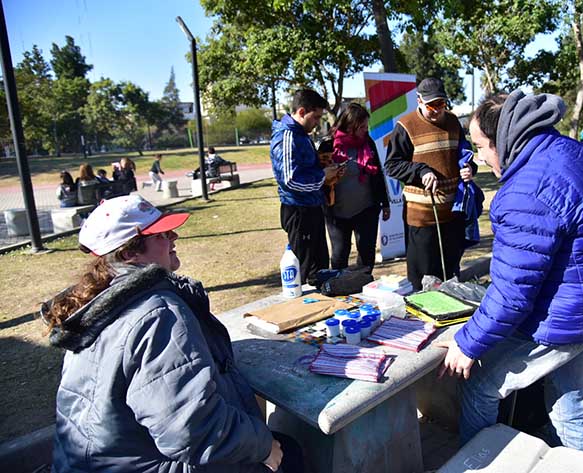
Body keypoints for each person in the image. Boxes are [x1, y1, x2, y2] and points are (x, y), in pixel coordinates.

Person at [41, 195, 303, 473]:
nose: (174, 236)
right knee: (289, 453)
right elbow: (191, 428)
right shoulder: (157, 313)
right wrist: (262, 446)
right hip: (142, 462)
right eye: (162, 234)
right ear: (129, 253)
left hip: (92, 461)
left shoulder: (95, 303)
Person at [435, 91, 583, 453]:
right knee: (572, 403)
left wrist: (467, 342)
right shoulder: (578, 152)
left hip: (563, 319)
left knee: (479, 386)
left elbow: (512, 295)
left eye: (479, 146)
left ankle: (478, 461)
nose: (479, 157)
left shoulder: (524, 192)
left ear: (502, 139)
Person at [384, 77, 476, 291]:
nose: (436, 110)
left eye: (441, 104)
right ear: (419, 101)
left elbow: (465, 154)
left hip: (453, 213)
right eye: (431, 105)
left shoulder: (454, 122)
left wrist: (470, 168)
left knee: (450, 275)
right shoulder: (405, 126)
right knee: (423, 280)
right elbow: (392, 165)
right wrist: (421, 171)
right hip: (422, 217)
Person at [270, 89, 340, 284]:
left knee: (319, 270)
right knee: (302, 270)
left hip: (312, 206)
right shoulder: (287, 136)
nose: (318, 122)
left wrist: (325, 167)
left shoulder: (300, 134)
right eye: (315, 117)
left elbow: (305, 168)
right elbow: (289, 179)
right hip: (298, 211)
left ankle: (322, 306)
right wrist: (322, 177)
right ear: (301, 112)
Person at [317, 103, 390, 271]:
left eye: (366, 126)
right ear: (350, 125)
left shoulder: (368, 143)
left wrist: (385, 203)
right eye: (362, 126)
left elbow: (378, 173)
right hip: (337, 211)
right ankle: (338, 285)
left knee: (366, 253)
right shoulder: (328, 145)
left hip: (366, 208)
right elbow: (319, 179)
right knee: (339, 253)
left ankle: (363, 283)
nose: (366, 129)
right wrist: (331, 174)